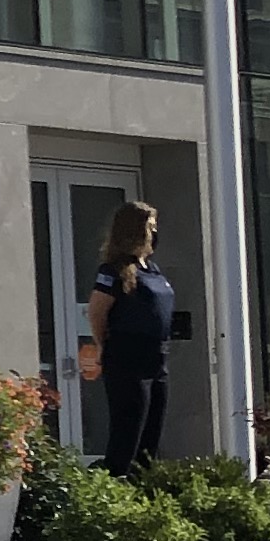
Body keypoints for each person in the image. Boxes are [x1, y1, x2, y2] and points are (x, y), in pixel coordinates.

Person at [85, 198, 175, 475]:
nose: (154, 233)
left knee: (150, 439)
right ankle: (112, 486)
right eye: (150, 226)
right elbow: (97, 312)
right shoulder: (113, 271)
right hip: (127, 358)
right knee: (128, 432)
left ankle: (142, 493)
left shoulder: (152, 270)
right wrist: (103, 345)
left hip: (156, 358)